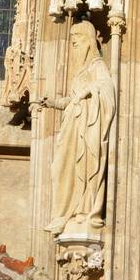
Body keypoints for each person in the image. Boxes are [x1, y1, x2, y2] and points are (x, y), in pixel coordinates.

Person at [34, 20, 116, 237]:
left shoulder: (97, 65)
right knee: (60, 167)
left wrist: (88, 92)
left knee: (87, 167)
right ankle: (64, 214)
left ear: (88, 42)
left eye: (76, 43)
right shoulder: (81, 71)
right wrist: (52, 102)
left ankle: (85, 211)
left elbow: (107, 89)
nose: (73, 48)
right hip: (72, 128)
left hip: (88, 129)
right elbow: (72, 99)